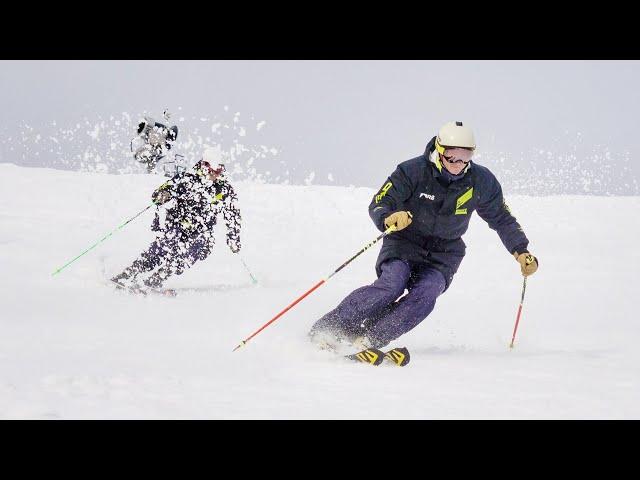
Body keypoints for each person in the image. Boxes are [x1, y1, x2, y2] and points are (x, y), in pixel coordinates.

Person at [309, 121, 538, 350]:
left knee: (427, 293)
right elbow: (380, 202)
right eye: (452, 156)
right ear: (439, 151)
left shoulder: (481, 180)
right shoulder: (412, 171)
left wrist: (521, 250)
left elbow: (502, 218)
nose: (458, 163)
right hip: (404, 243)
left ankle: (370, 339)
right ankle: (330, 328)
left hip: (445, 254)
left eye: (465, 155)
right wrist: (389, 217)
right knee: (392, 284)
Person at [111, 148, 242, 290]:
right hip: (178, 223)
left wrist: (233, 238)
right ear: (204, 166)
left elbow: (233, 214)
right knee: (165, 244)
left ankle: (158, 278)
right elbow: (163, 190)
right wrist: (162, 195)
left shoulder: (223, 189)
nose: (214, 175)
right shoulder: (187, 179)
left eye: (218, 171)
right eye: (211, 171)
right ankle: (131, 272)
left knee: (200, 246)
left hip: (201, 230)